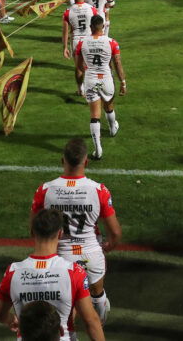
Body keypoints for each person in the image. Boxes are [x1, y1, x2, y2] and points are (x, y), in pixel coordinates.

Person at [31, 138, 122, 324]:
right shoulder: (99, 190)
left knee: (65, 302)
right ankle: (99, 329)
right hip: (91, 253)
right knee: (97, 294)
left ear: (62, 160)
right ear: (86, 162)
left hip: (60, 255)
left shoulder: (45, 190)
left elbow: (35, 229)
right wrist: (110, 245)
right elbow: (115, 233)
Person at [0, 208, 105, 341]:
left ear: (32, 233)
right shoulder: (74, 272)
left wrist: (11, 319)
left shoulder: (13, 272)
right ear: (60, 234)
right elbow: (91, 321)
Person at [75, 15, 126, 159]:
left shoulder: (82, 43)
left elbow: (78, 65)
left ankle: (98, 150)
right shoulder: (112, 42)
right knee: (109, 106)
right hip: (106, 79)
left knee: (94, 115)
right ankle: (112, 129)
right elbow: (117, 64)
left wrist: (87, 69)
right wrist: (123, 82)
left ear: (90, 27)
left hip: (91, 79)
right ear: (103, 27)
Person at [62, 0, 98, 94]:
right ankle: (94, 90)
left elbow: (65, 31)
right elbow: (97, 26)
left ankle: (80, 89)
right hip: (89, 39)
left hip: (76, 40)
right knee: (91, 66)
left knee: (78, 67)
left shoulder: (68, 12)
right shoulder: (92, 9)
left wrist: (64, 47)